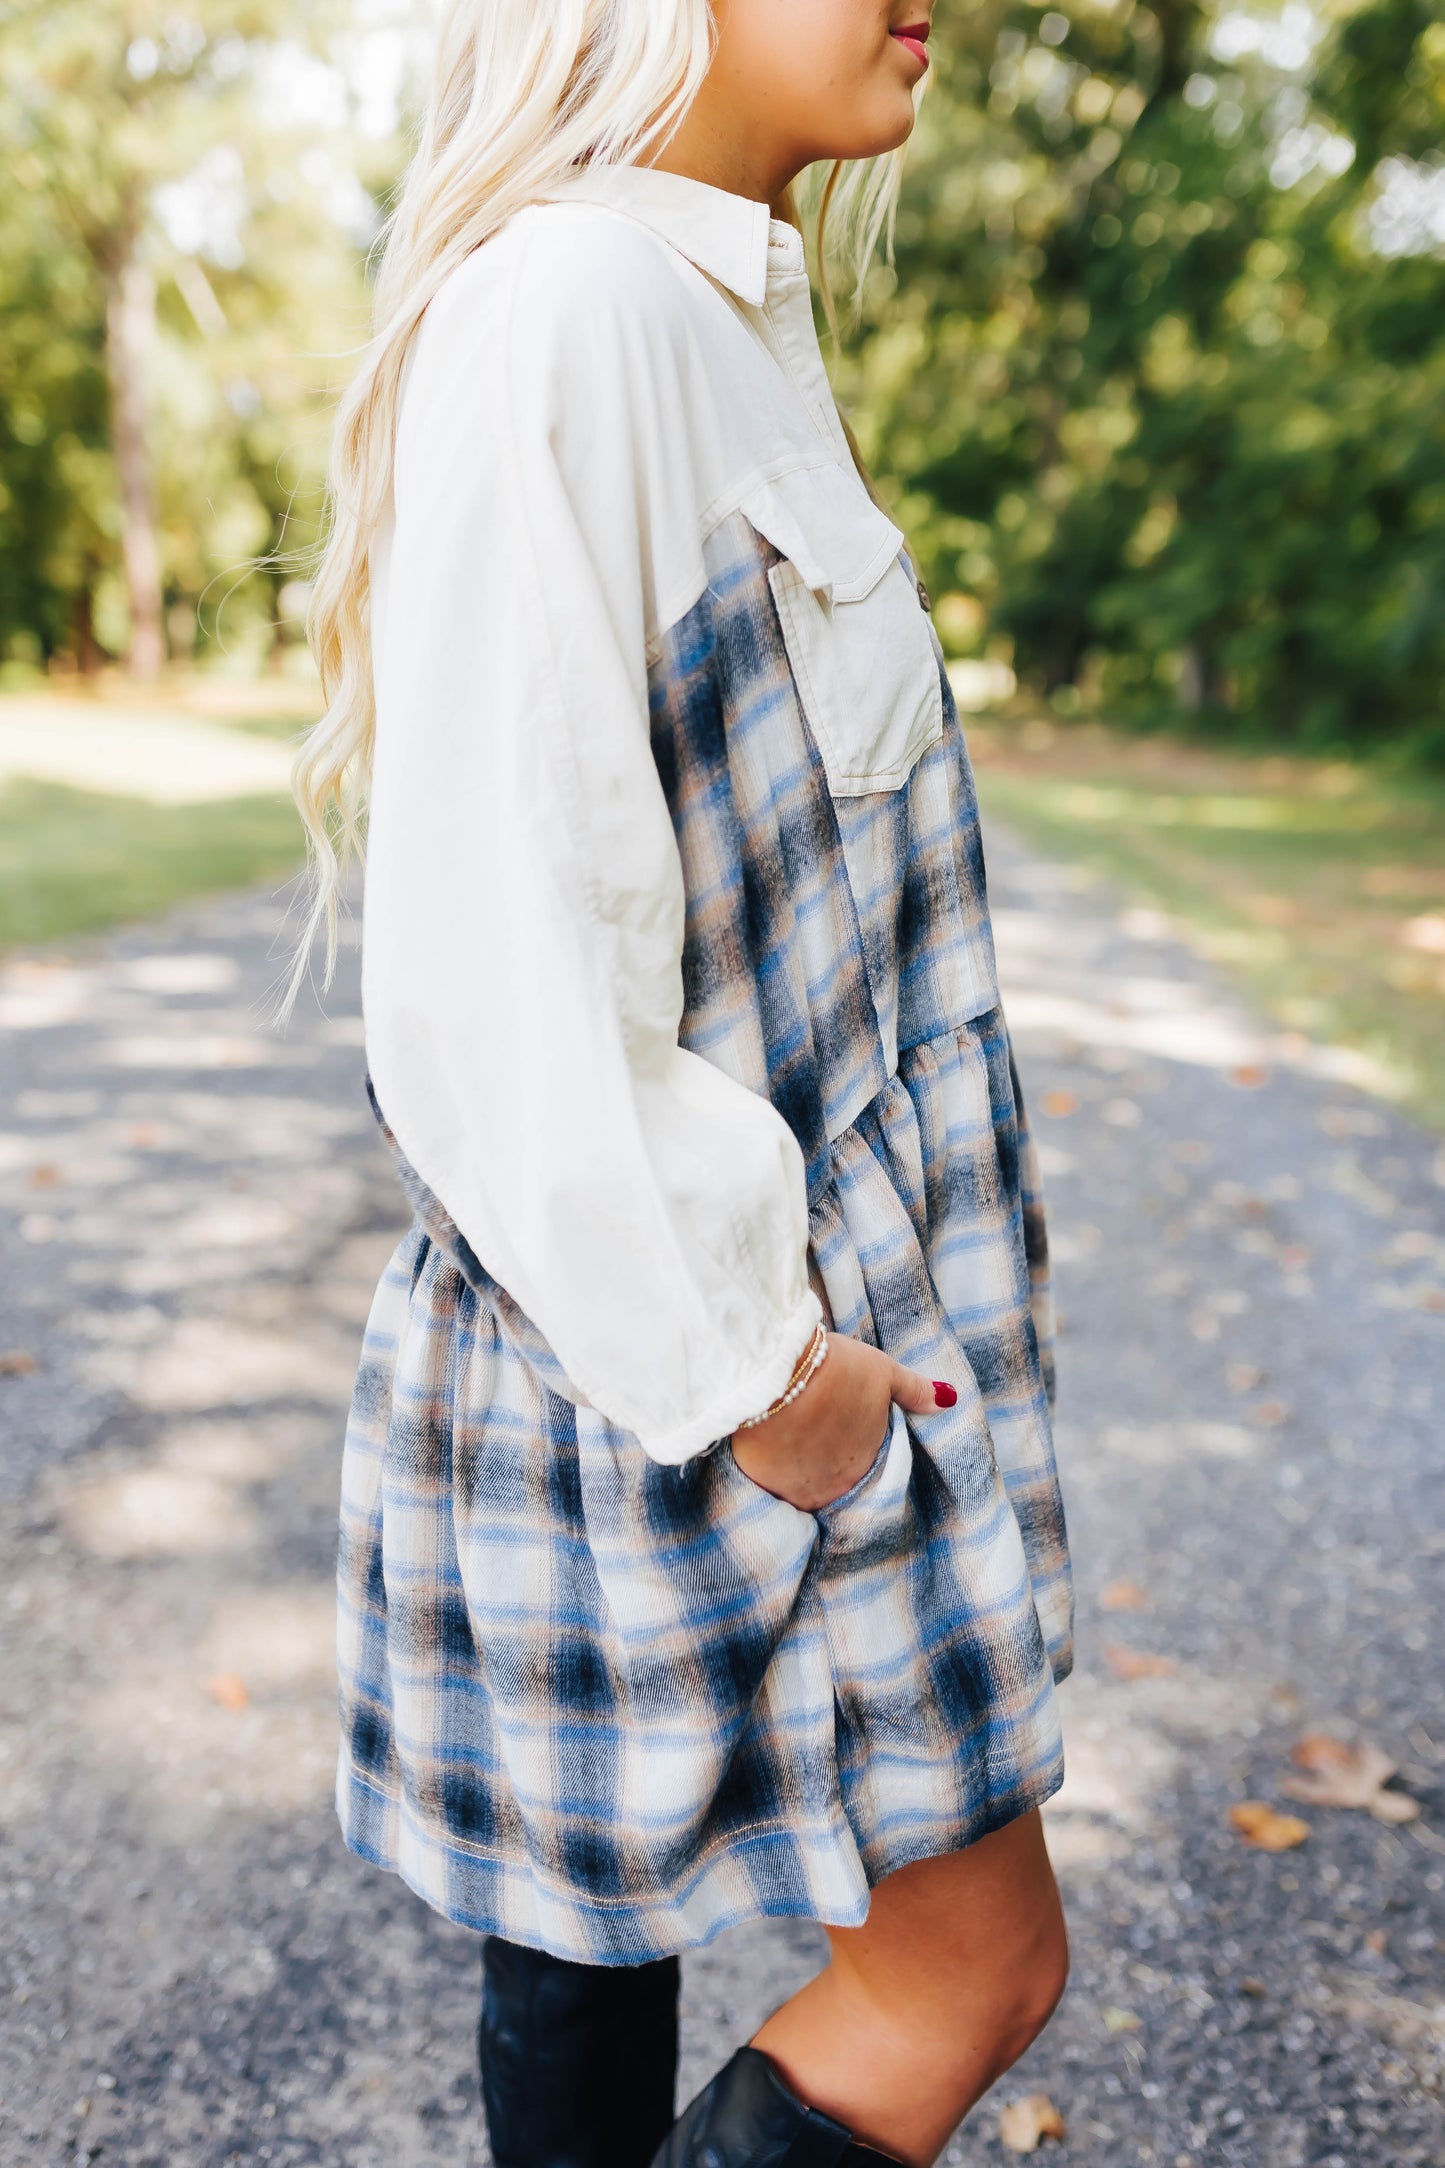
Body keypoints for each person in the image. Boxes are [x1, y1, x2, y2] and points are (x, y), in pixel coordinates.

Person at [290, 3, 1074, 2162]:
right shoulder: (576, 307)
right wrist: (775, 1376)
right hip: (705, 1359)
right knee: (972, 1961)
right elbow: (492, 966)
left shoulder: (714, 302)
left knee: (580, 1947)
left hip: (754, 1347)